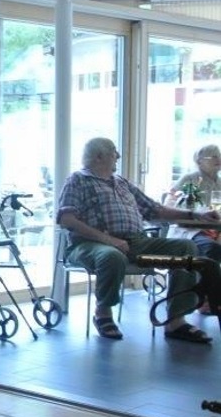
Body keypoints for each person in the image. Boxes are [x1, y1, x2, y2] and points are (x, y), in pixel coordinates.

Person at [57, 137, 218, 343]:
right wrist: (109, 240)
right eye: (114, 151)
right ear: (99, 157)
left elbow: (154, 210)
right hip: (90, 244)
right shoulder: (78, 179)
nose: (118, 156)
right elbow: (66, 218)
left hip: (136, 241)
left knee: (187, 247)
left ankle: (176, 321)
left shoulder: (121, 182)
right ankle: (103, 313)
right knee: (111, 256)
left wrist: (195, 215)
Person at [165, 143, 221, 263]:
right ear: (199, 161)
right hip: (191, 230)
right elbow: (169, 206)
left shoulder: (220, 182)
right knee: (212, 248)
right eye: (213, 157)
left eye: (219, 156)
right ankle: (206, 281)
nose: (219, 159)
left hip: (216, 230)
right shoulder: (189, 179)